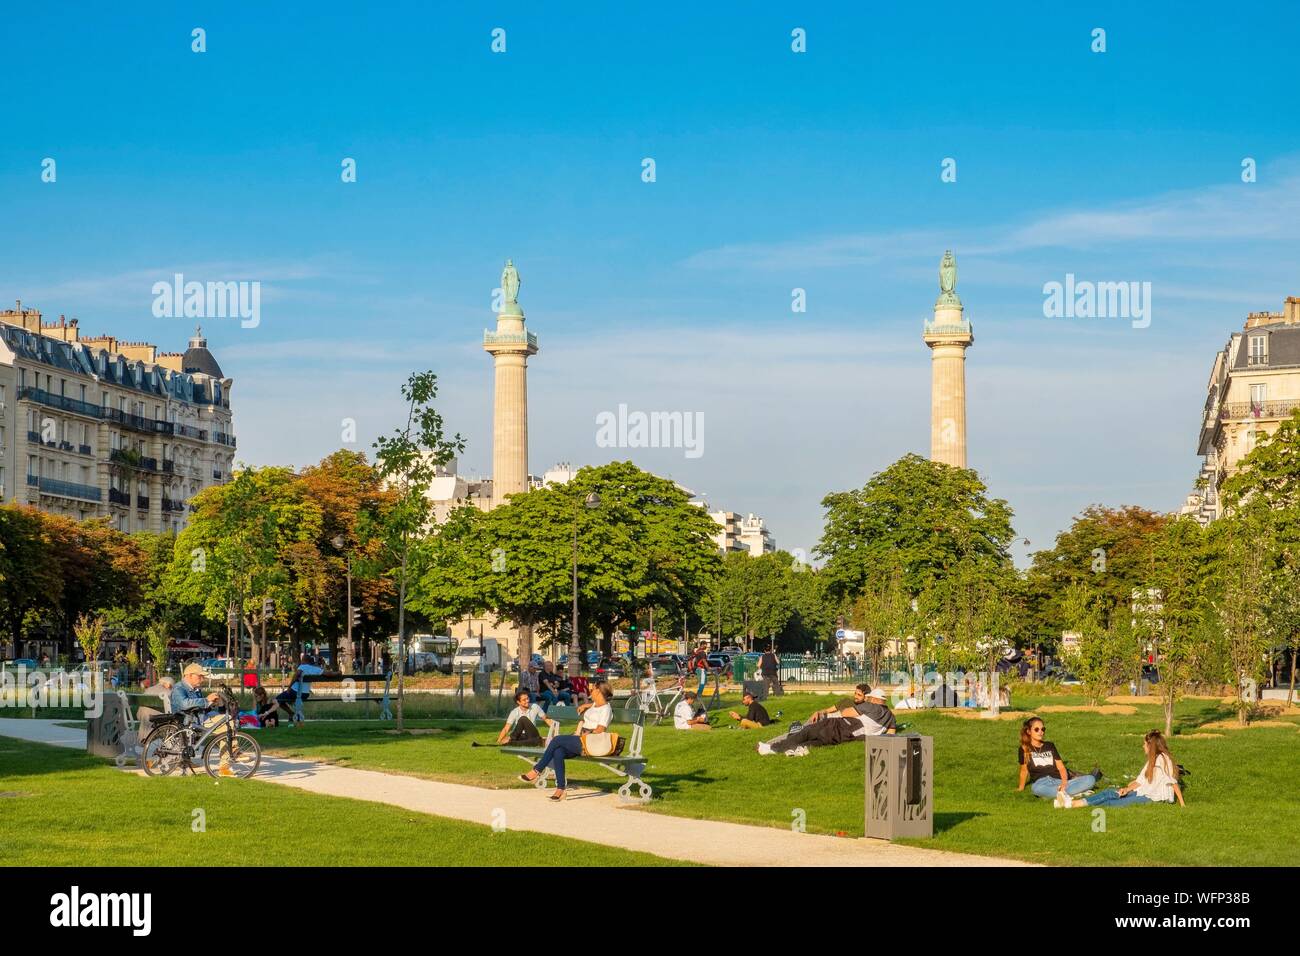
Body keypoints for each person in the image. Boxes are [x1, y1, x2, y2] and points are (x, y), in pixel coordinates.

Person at [517, 681, 615, 800]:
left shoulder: (606, 709)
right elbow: (594, 705)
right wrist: (585, 705)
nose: (590, 691)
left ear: (599, 691)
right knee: (558, 751)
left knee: (557, 740)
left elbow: (600, 730)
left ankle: (536, 771)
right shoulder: (596, 704)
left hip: (590, 743)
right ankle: (560, 790)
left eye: (593, 689)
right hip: (582, 741)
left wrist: (582, 734)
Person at [1060, 730, 1184, 809]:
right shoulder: (1152, 760)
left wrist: (1182, 804)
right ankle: (1073, 803)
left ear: (1150, 746)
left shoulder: (1162, 760)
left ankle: (1073, 804)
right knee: (1111, 793)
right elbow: (1140, 781)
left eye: (1144, 744)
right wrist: (1126, 789)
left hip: (1154, 798)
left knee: (1112, 803)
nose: (1143, 746)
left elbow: (1173, 782)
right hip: (1145, 792)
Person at [758, 684, 894, 756]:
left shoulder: (870, 706)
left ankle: (773, 748)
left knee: (806, 732)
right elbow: (890, 734)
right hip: (848, 736)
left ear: (875, 699)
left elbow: (846, 712)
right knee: (817, 741)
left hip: (839, 726)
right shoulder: (891, 716)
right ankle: (794, 749)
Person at [1016, 716, 1101, 805]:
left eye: (1043, 729)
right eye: (1036, 729)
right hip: (1041, 783)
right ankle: (1071, 793)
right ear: (1029, 731)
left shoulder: (1049, 745)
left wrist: (1064, 783)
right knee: (1035, 789)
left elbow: (1061, 767)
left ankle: (1062, 793)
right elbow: (1024, 770)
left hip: (1058, 780)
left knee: (1090, 779)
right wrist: (1021, 788)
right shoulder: (1024, 749)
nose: (1041, 732)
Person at [276, 654, 324, 725]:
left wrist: (289, 687)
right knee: (293, 700)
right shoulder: (315, 669)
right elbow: (328, 673)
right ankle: (296, 717)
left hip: (295, 692)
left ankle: (291, 714)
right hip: (305, 694)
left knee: (278, 699)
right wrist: (337, 673)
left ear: (303, 660)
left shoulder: (302, 666)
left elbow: (296, 675)